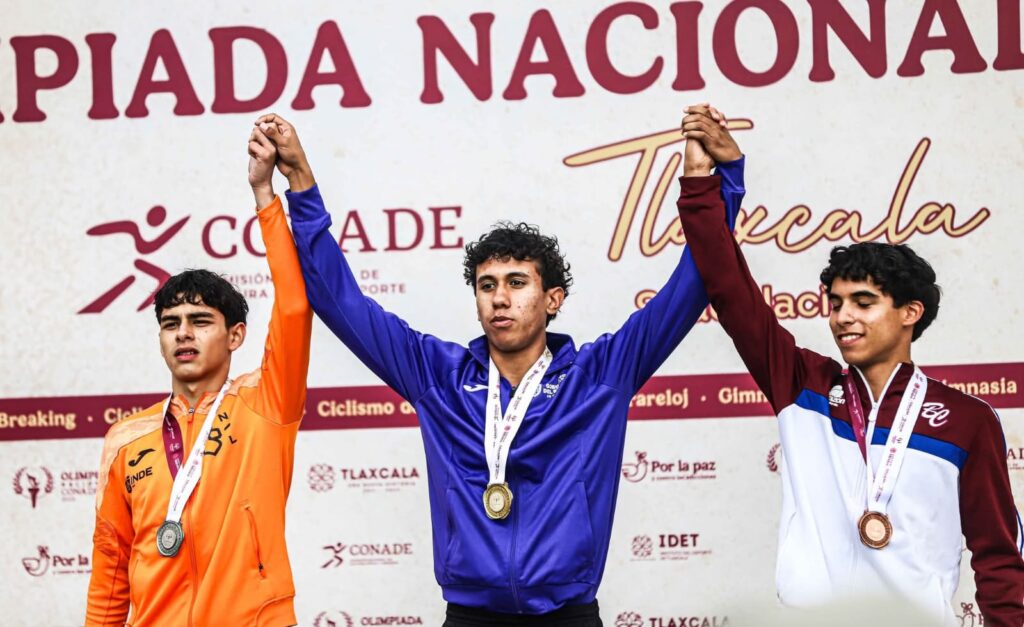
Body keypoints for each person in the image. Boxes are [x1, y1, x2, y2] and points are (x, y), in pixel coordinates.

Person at [255, 112, 743, 624]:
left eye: (516, 283)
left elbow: (693, 285)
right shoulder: (438, 377)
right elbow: (341, 302)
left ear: (553, 299)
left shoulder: (600, 376)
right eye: (487, 286)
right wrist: (301, 183)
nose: (500, 299)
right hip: (471, 616)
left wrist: (717, 184)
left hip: (568, 615)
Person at [675, 104, 1024, 626]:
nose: (843, 317)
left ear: (910, 313)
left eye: (863, 303)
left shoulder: (967, 420)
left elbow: (998, 558)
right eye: (836, 304)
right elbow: (729, 287)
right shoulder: (802, 385)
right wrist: (705, 182)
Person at [84, 126, 312, 626]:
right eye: (171, 324)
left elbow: (294, 306)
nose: (183, 334)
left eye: (201, 321)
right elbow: (110, 569)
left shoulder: (265, 403)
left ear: (235, 335)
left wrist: (264, 195)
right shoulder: (125, 439)